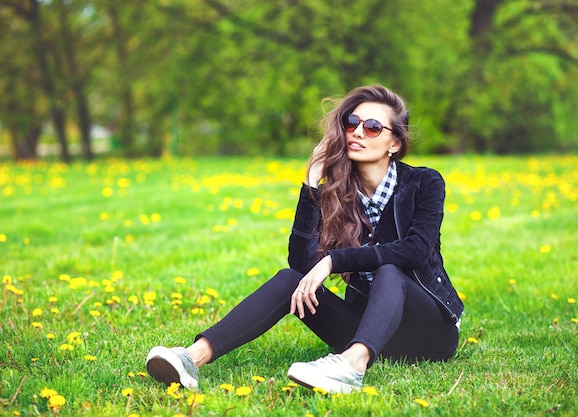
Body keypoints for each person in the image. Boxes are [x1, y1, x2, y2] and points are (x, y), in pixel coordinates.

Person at [145, 84, 464, 394]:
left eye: (372, 127)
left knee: (389, 269)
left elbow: (415, 251)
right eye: (352, 123)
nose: (357, 132)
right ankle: (192, 357)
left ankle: (351, 368)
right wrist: (312, 182)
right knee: (289, 279)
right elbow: (301, 265)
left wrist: (334, 260)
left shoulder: (424, 182)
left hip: (429, 334)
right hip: (367, 329)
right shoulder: (338, 195)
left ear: (394, 143)